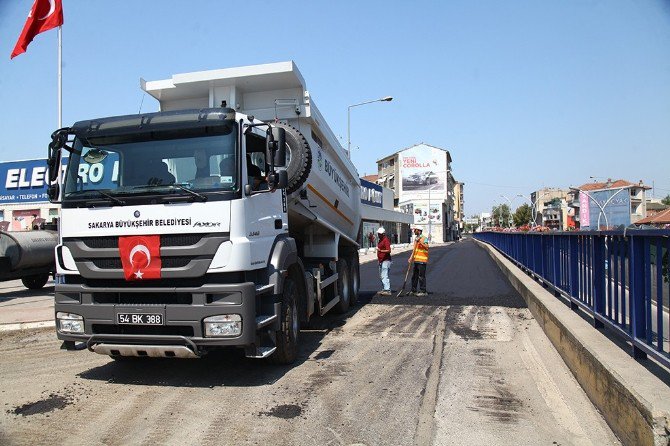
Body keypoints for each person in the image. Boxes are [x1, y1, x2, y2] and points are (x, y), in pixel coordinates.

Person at [409, 225, 429, 296]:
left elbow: (427, 247)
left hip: (422, 260)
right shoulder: (416, 239)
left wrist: (420, 242)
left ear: (419, 231)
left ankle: (423, 291)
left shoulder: (424, 238)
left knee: (421, 276)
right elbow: (414, 249)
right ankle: (413, 290)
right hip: (416, 260)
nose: (414, 231)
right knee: (414, 276)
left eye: (415, 230)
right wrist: (411, 257)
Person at [376, 227, 392, 295]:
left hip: (386, 260)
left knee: (384, 275)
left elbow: (389, 250)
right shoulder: (380, 240)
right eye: (378, 234)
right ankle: (384, 289)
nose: (378, 235)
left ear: (383, 234)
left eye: (379, 234)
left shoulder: (386, 240)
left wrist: (380, 251)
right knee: (381, 276)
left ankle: (387, 290)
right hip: (381, 260)